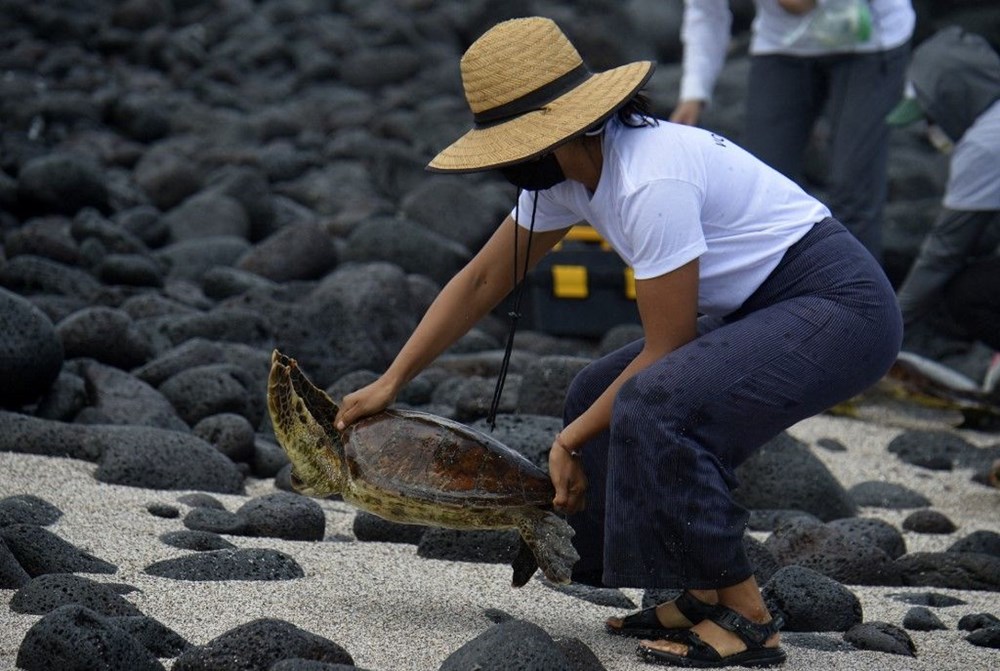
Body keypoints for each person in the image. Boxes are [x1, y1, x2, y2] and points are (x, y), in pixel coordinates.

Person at [333, 16, 903, 668]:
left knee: (657, 402)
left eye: (514, 149)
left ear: (560, 133)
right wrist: (393, 379)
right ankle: (695, 591)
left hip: (840, 307)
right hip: (770, 303)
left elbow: (667, 350)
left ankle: (747, 616)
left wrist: (567, 441)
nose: (510, 166)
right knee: (590, 391)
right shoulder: (574, 172)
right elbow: (485, 277)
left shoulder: (647, 181)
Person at [672, 0, 915, 264]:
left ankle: (859, 300)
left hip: (871, 37)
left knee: (854, 193)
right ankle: (779, 298)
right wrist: (694, 93)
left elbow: (799, 4)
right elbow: (706, 11)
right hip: (781, 44)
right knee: (760, 192)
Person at [888, 26, 1000, 389]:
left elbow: (941, 255)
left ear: (954, 97)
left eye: (932, 117)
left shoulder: (984, 145)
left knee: (966, 291)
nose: (931, 130)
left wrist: (881, 333)